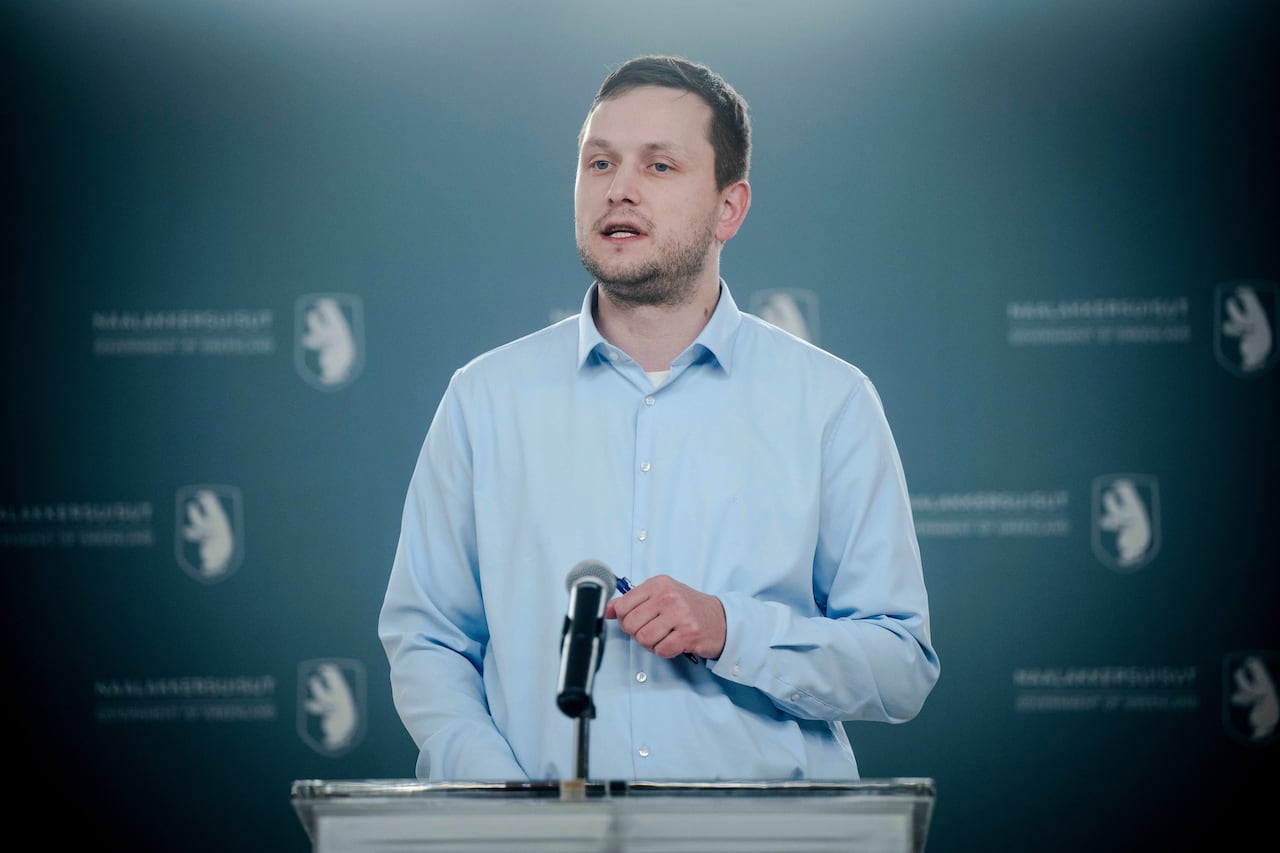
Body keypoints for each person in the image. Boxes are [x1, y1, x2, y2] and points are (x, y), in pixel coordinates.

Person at [379, 55, 939, 782]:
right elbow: (428, 640)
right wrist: (498, 792)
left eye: (660, 166)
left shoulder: (830, 402)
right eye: (600, 162)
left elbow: (900, 665)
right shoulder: (484, 399)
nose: (619, 189)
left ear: (728, 208)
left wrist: (731, 629)